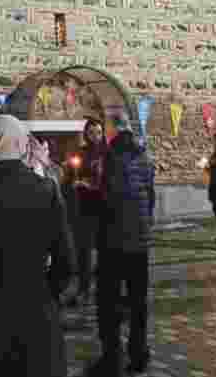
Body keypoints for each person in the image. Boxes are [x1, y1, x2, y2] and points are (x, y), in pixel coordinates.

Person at [0, 115, 75, 377]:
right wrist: (44, 292)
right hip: (34, 315)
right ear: (21, 146)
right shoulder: (45, 190)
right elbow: (66, 263)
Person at [92, 119, 154, 376]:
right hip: (139, 241)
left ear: (114, 135)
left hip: (113, 242)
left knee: (109, 302)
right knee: (138, 301)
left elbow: (107, 198)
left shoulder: (110, 158)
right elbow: (149, 197)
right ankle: (138, 353)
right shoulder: (144, 158)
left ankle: (111, 355)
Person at [62, 118, 107, 306]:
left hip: (104, 208)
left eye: (98, 132)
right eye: (91, 133)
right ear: (86, 134)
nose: (95, 136)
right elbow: (69, 179)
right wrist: (71, 180)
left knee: (106, 251)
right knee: (84, 252)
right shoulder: (80, 153)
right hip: (84, 208)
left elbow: (110, 180)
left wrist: (93, 184)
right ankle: (83, 289)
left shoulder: (108, 153)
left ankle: (105, 290)